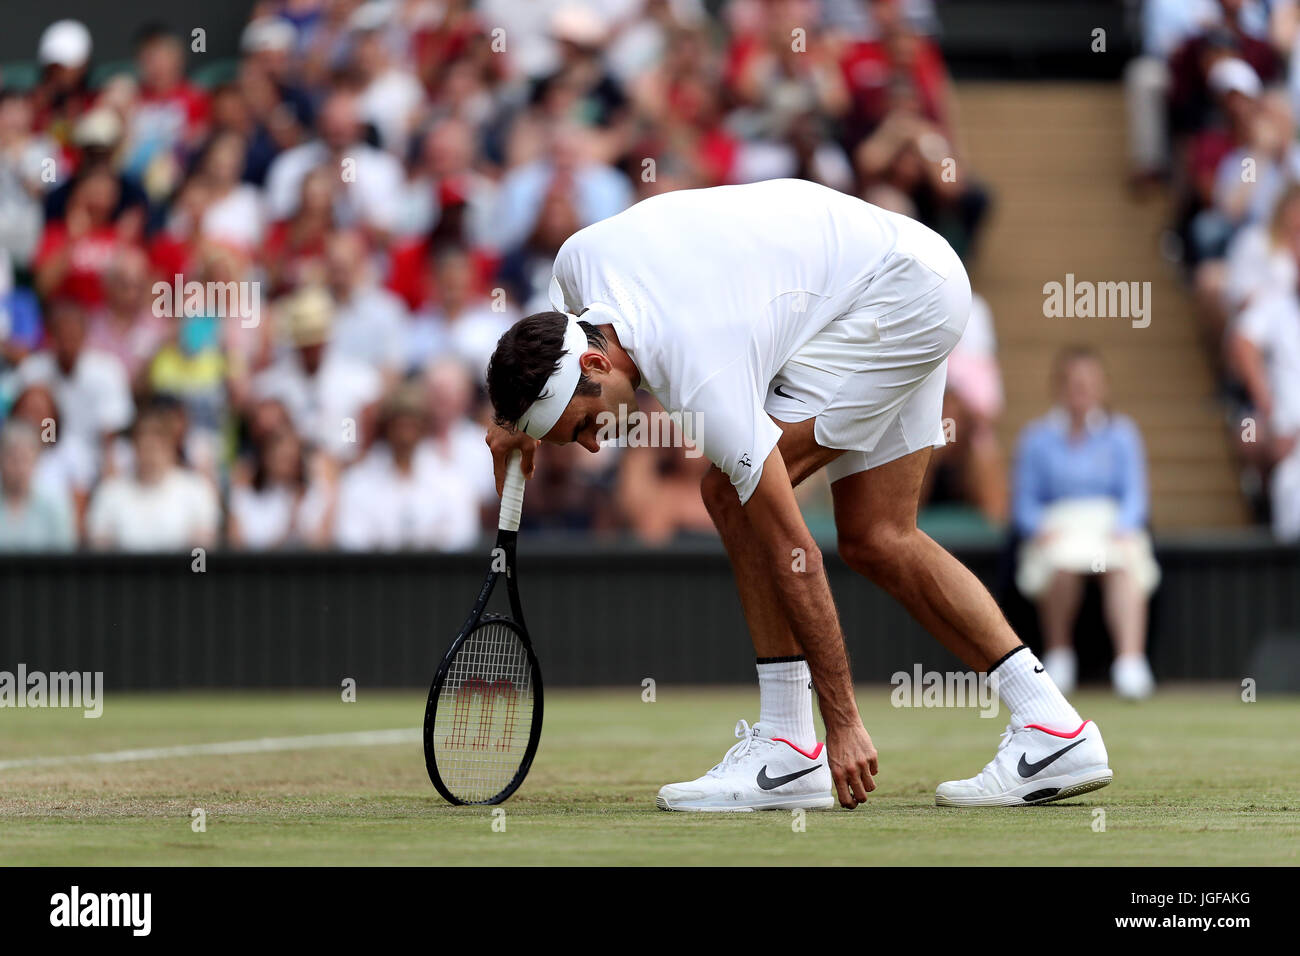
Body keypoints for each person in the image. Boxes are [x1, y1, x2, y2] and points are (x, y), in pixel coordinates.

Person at [484, 178, 1111, 811]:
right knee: (878, 537)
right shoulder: (575, 269)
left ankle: (791, 747)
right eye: (572, 439)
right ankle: (1053, 728)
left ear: (594, 366)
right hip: (906, 272)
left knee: (731, 494)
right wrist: (515, 425)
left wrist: (842, 721)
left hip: (895, 297)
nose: (592, 446)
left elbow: (796, 549)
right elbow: (539, 340)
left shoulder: (702, 368)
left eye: (584, 426)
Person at [1012, 347, 1160, 700]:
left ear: (1102, 387)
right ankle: (1060, 657)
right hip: (1060, 525)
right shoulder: (1036, 438)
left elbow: (1135, 495)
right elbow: (1024, 504)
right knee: (1059, 566)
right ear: (1059, 388)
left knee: (1124, 566)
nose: (1082, 391)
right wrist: (1039, 528)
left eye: (1089, 383)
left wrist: (1124, 527)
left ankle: (1130, 663)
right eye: (1074, 384)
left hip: (1108, 526)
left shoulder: (1123, 434)